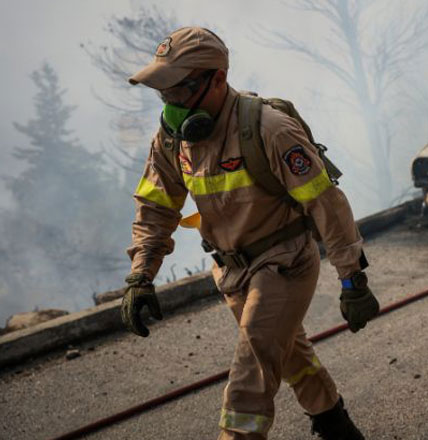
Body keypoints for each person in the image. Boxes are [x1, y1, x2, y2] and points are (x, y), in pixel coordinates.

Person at [120, 26, 378, 440]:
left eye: (179, 91)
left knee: (249, 381)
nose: (170, 106)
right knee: (291, 356)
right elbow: (155, 207)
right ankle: (338, 427)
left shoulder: (269, 129)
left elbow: (326, 206)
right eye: (163, 94)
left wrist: (353, 279)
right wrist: (141, 275)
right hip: (232, 273)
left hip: (285, 263)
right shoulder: (173, 141)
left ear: (217, 79)